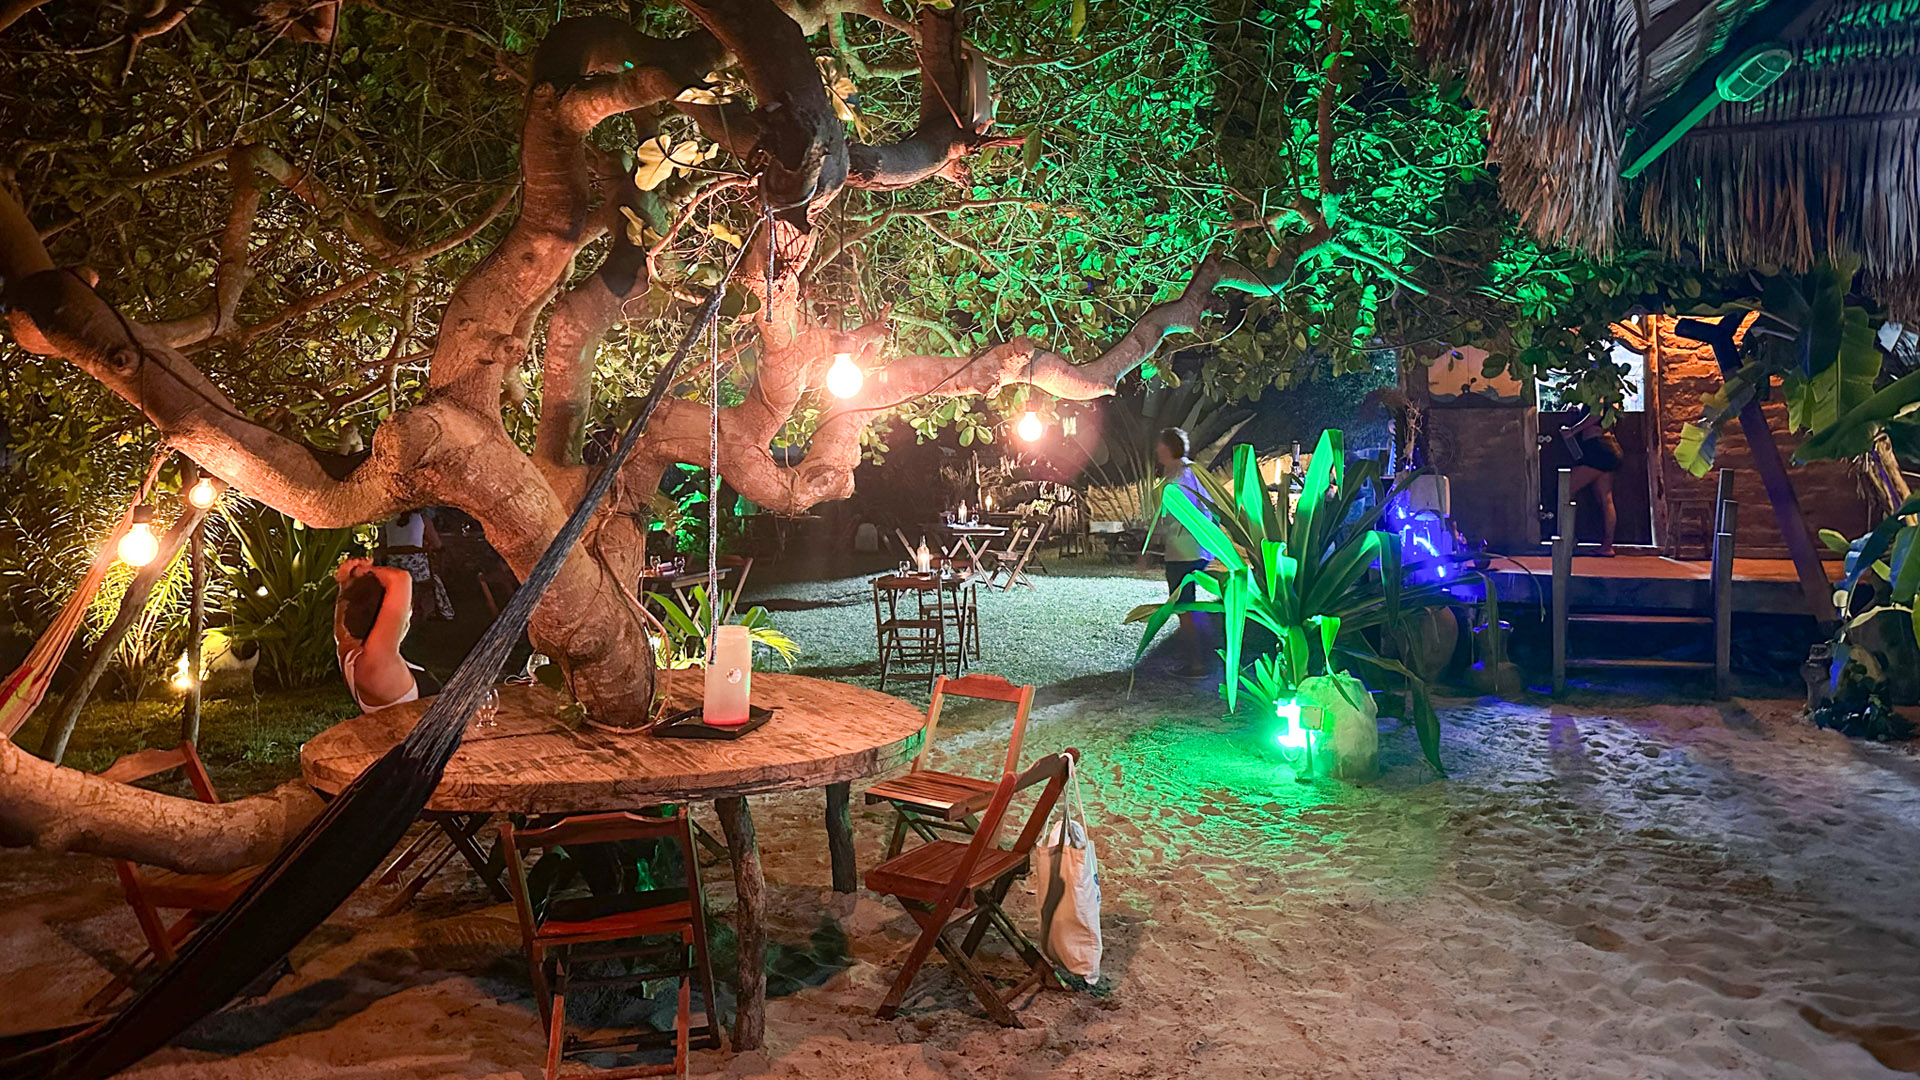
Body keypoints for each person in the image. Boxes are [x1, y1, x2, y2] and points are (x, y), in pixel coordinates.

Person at [1148, 427, 1213, 679]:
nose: (1156, 450)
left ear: (1168, 447)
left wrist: (1154, 537)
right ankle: (1198, 657)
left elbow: (1175, 511)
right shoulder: (1185, 471)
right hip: (1191, 549)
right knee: (1187, 605)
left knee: (1185, 606)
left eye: (1160, 445)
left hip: (1184, 551)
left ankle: (1197, 663)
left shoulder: (1181, 475)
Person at [333, 558, 428, 711]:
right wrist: (361, 571)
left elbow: (341, 622)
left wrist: (346, 583)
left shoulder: (348, 649)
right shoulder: (377, 664)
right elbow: (400, 578)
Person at [1562, 405, 1622, 556]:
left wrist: (1573, 430)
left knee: (1565, 489)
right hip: (1607, 446)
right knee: (1605, 498)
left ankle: (1567, 539)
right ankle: (1607, 546)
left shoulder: (1597, 387)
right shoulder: (1611, 393)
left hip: (1598, 448)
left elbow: (1597, 413)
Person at [377, 509, 455, 620]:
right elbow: (437, 544)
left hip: (394, 570)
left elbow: (382, 543)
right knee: (435, 577)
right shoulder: (422, 519)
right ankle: (439, 611)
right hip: (418, 573)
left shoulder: (389, 520)